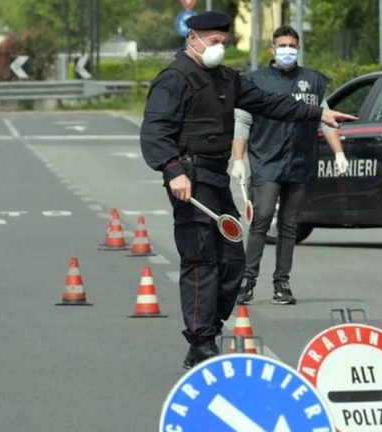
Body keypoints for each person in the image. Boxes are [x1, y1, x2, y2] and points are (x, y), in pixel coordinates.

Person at [139, 12, 356, 369]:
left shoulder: (227, 79)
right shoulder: (174, 79)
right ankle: (201, 342)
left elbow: (271, 103)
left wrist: (317, 114)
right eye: (213, 41)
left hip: (216, 176)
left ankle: (209, 328)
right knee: (201, 258)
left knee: (233, 260)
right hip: (190, 178)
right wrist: (173, 171)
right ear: (193, 39)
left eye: (224, 42)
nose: (219, 48)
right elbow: (155, 131)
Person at [232, 25, 349, 306]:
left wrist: (339, 153)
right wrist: (238, 159)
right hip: (266, 161)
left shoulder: (313, 81)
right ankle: (247, 281)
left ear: (298, 48)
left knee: (289, 224)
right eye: (282, 45)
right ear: (272, 49)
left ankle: (281, 284)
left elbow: (327, 118)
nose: (287, 50)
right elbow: (243, 121)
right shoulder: (256, 80)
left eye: (292, 46)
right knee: (261, 219)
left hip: (300, 161)